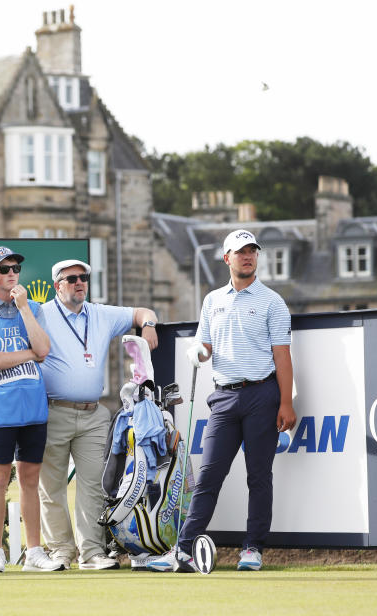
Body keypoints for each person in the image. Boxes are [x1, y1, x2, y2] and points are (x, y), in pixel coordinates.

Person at [149, 229, 296, 573]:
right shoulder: (213, 300)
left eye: (252, 251)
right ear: (226, 258)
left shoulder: (272, 302)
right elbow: (206, 346)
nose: (247, 257)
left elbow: (283, 357)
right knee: (210, 475)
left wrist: (285, 403)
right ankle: (183, 550)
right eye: (240, 252)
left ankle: (252, 548)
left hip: (263, 394)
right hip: (224, 397)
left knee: (258, 476)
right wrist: (198, 352)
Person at [37, 259, 159, 571]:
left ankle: (91, 552)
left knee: (92, 485)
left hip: (93, 414)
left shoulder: (100, 313)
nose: (79, 283)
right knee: (52, 487)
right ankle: (60, 552)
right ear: (57, 286)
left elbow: (144, 312)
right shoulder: (41, 314)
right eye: (72, 278)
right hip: (53, 411)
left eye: (83, 278)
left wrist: (149, 326)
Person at [0, 246, 63, 573]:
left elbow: (44, 348)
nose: (11, 274)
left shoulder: (31, 308)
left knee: (30, 479)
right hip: (0, 410)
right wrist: (29, 354)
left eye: (15, 268)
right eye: (4, 269)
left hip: (33, 407)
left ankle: (34, 551)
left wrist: (24, 310)